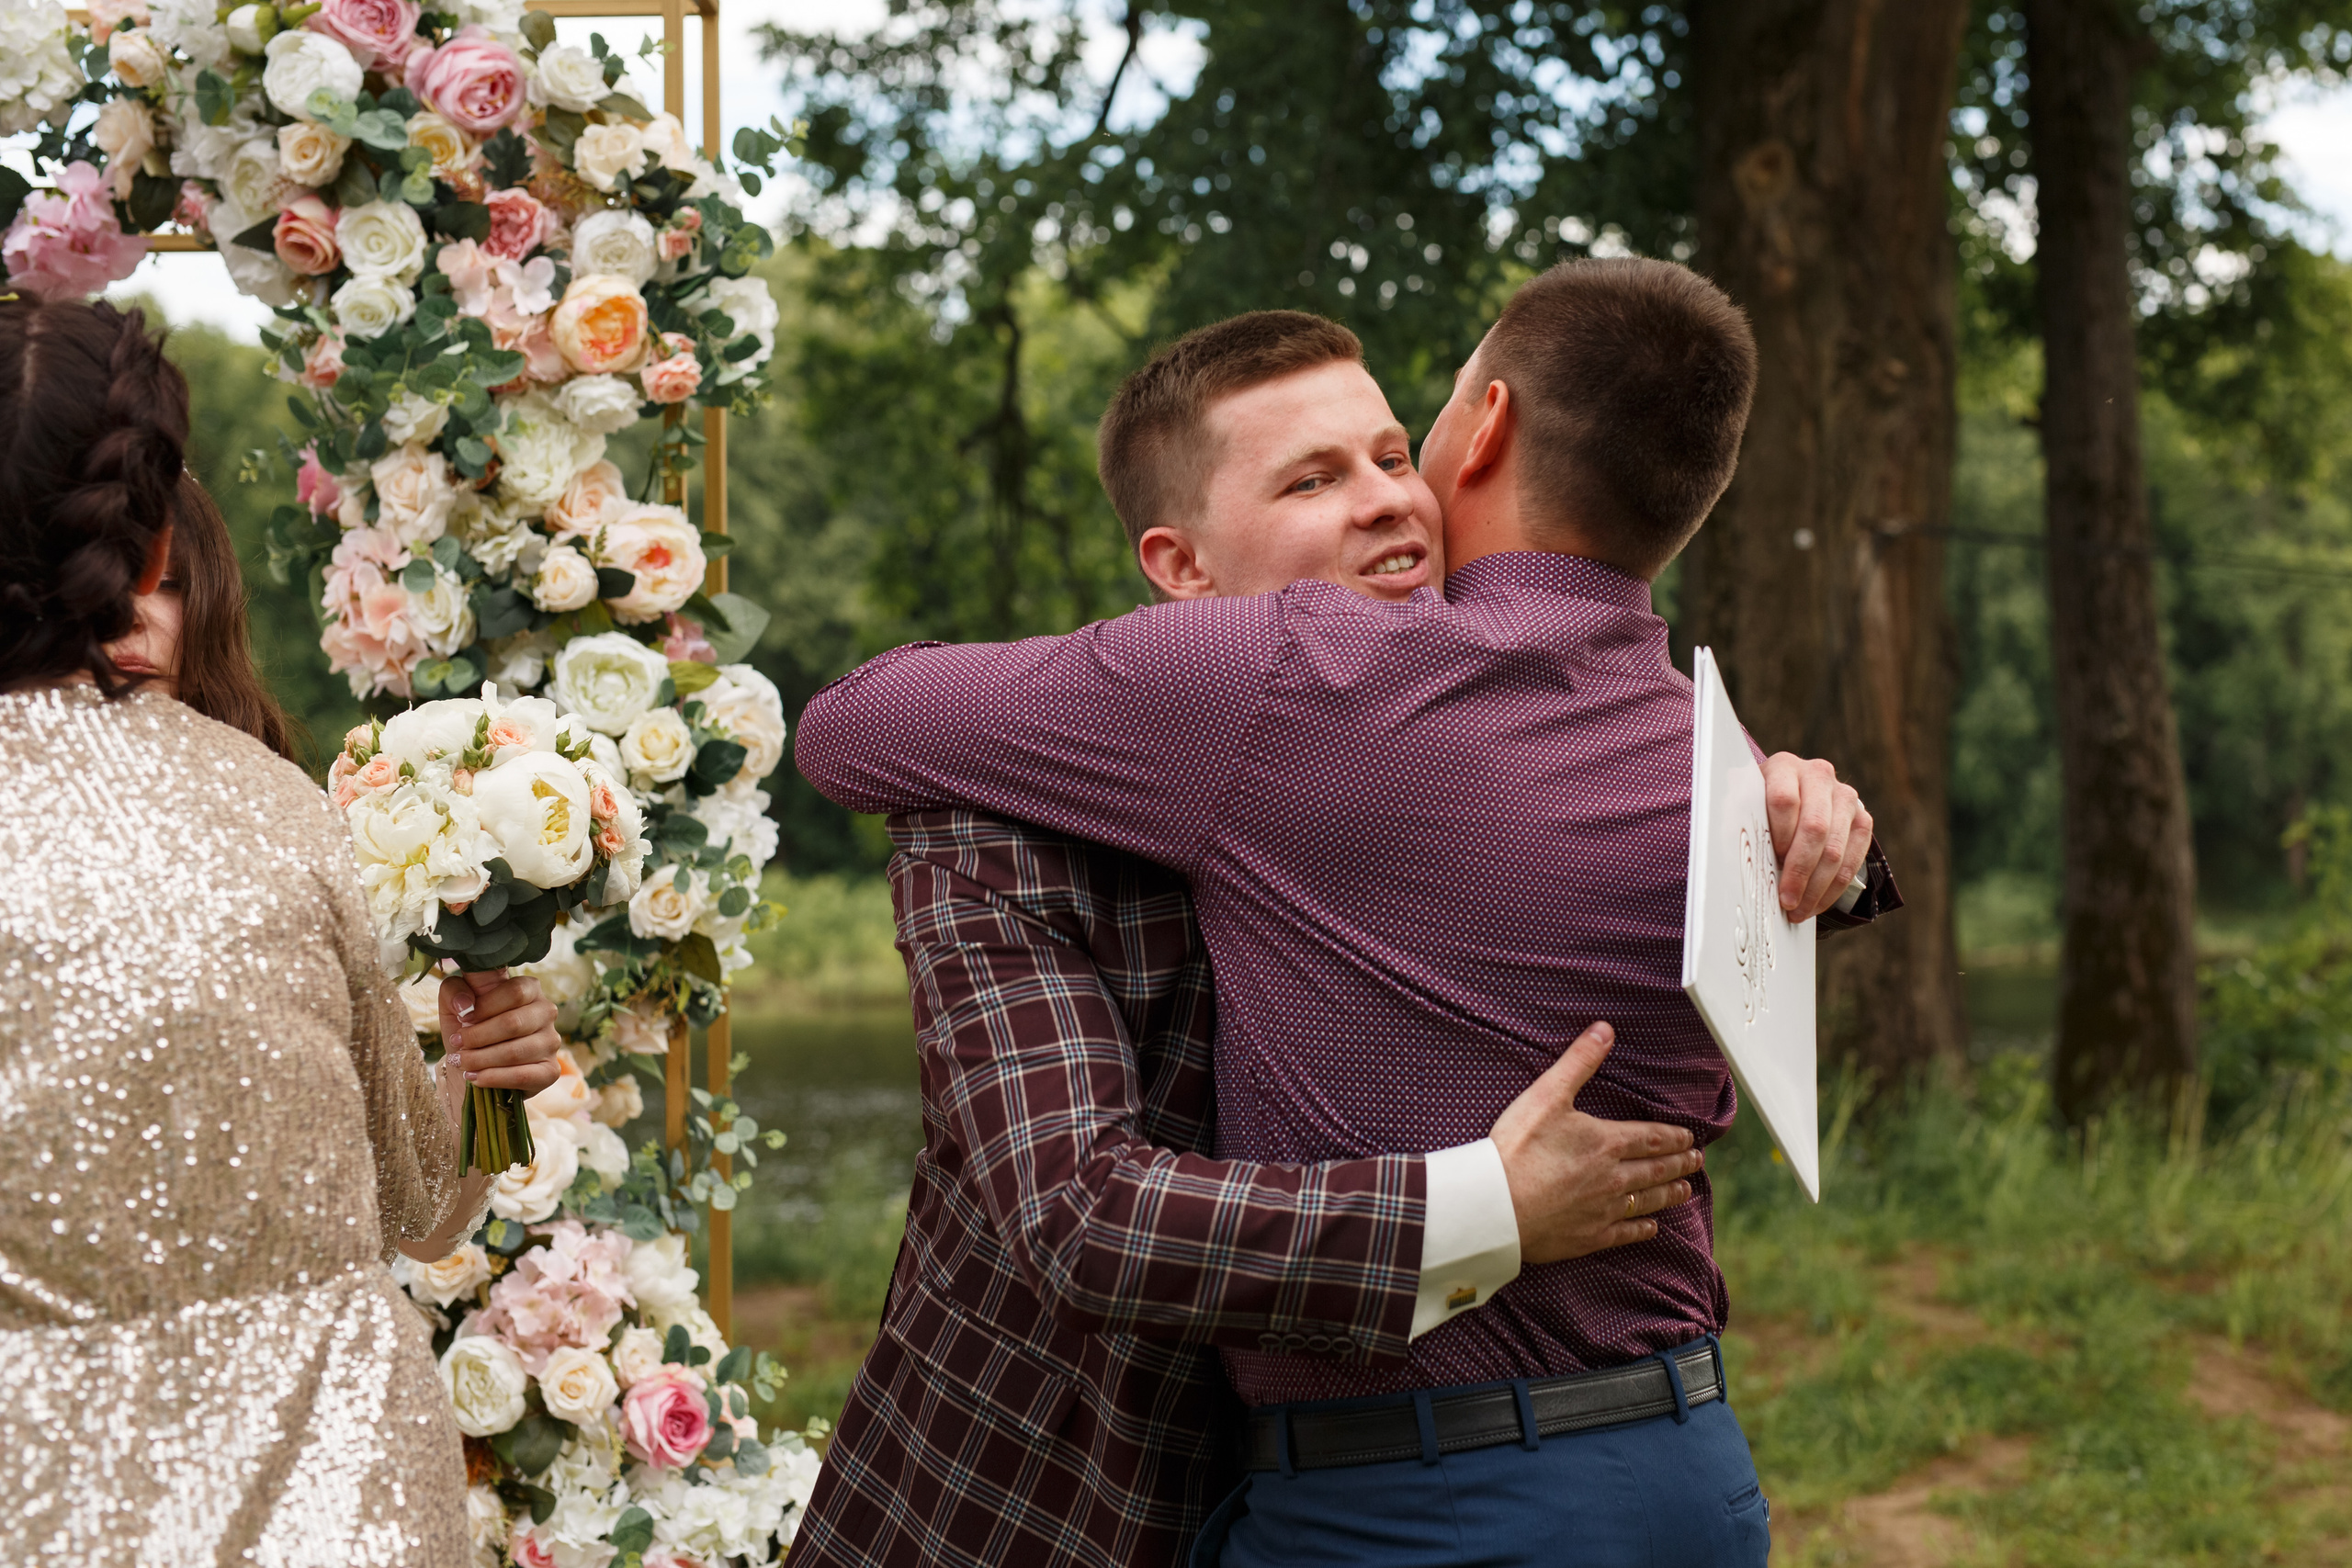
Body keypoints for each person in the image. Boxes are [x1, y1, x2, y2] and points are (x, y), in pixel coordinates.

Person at [796, 265, 1893, 1566]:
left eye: (1389, 451)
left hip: (1427, 1503)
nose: (1387, 498)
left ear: (1476, 432)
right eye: (1313, 480)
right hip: (1676, 1478)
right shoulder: (1697, 744)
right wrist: (1816, 820)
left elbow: (850, 720)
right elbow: (1074, 1211)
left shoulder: (1306, 679)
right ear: (1177, 565)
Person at [0, 298, 562, 1567]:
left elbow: (417, 1205)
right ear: (149, 546)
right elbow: (426, 1210)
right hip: (338, 1502)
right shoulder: (281, 807)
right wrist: (485, 1091)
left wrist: (492, 1082)